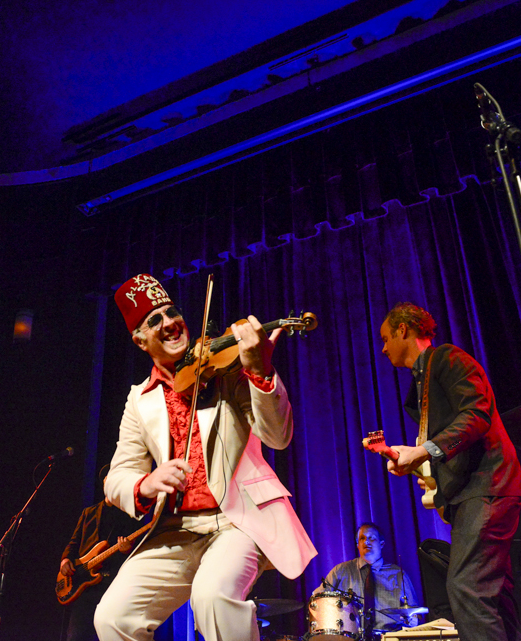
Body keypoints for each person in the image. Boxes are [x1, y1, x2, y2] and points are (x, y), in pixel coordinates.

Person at [94, 274, 316, 641]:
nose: (170, 323)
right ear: (139, 339)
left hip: (237, 521)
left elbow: (279, 436)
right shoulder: (139, 399)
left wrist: (259, 370)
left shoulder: (229, 369)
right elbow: (118, 476)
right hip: (176, 530)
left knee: (212, 595)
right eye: (155, 320)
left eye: (172, 312)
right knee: (113, 616)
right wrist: (144, 483)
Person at [379, 302, 521, 641]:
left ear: (404, 330)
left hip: (488, 485)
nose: (383, 348)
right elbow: (453, 439)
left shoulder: (446, 358)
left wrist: (422, 451)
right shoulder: (422, 382)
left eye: (386, 338)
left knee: (466, 587)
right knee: (493, 597)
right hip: (475, 491)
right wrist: (416, 459)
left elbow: (476, 414)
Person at [59, 498, 146, 641]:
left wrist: (126, 551)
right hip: (84, 585)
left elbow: (140, 550)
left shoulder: (131, 515)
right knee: (77, 636)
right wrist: (65, 560)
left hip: (113, 585)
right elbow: (74, 542)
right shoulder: (88, 513)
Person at [314, 523, 420, 635]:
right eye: (362, 538)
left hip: (389, 637)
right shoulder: (340, 571)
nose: (366, 542)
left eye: (371, 538)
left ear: (382, 543)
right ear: (357, 545)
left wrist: (411, 621)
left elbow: (414, 613)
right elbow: (318, 601)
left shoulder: (398, 574)